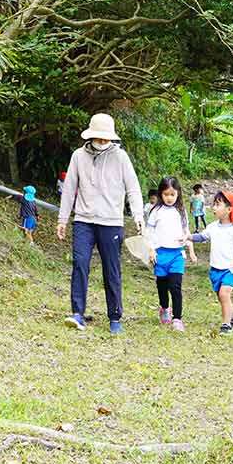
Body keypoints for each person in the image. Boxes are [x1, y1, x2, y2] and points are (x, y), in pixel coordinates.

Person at [57, 113, 145, 334]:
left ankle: (115, 317)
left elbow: (132, 187)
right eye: (99, 137)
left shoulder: (121, 157)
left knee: (112, 269)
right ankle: (78, 313)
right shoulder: (78, 156)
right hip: (84, 221)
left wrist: (138, 216)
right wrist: (62, 219)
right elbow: (69, 189)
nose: (103, 141)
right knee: (79, 263)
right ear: (91, 135)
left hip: (111, 222)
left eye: (107, 138)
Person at [191, 191, 233, 334]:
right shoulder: (212, 227)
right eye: (214, 204)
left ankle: (226, 325)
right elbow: (201, 237)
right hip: (215, 269)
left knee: (224, 294)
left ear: (229, 209)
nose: (214, 207)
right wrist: (188, 237)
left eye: (218, 205)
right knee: (221, 297)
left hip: (230, 269)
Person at [146, 176, 195, 332]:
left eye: (172, 194)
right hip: (160, 254)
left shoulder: (181, 211)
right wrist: (151, 250)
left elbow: (187, 232)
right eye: (166, 194)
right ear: (161, 194)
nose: (169, 198)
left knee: (175, 286)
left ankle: (177, 318)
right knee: (162, 286)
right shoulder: (156, 211)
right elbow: (149, 233)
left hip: (177, 255)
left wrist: (191, 250)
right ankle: (165, 308)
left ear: (178, 194)